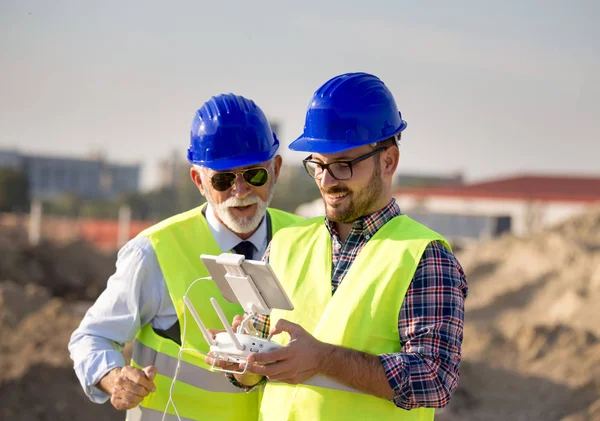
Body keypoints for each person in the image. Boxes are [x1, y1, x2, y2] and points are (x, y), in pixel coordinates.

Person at [224, 73, 468, 420]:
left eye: (342, 165)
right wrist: (241, 361)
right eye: (318, 165)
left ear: (388, 161)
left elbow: (434, 377)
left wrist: (325, 359)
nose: (326, 180)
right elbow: (260, 362)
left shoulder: (423, 256)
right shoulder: (286, 245)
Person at [68, 93, 303, 421]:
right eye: (223, 179)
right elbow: (91, 337)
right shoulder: (155, 251)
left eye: (255, 175)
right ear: (199, 181)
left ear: (276, 169)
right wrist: (113, 378)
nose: (241, 191)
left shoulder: (306, 239)